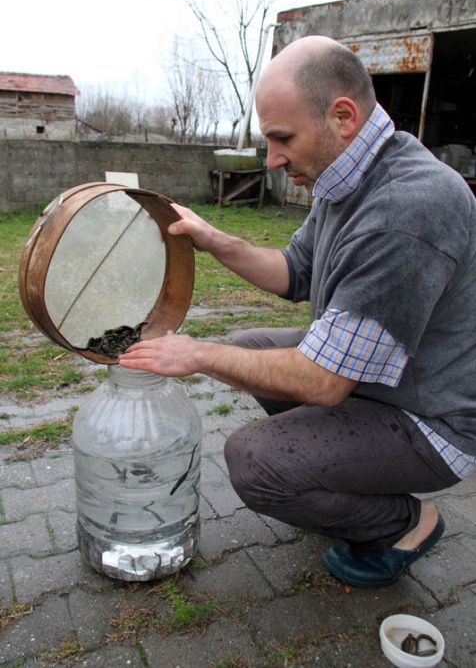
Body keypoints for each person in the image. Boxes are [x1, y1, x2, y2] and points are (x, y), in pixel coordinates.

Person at [119, 35, 476, 588]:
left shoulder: (409, 205)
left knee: (255, 461)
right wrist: (215, 240)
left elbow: (325, 381)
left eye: (282, 138)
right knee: (247, 348)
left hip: (432, 420)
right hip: (384, 383)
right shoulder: (346, 179)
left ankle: (405, 522)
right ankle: (331, 479)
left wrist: (196, 353)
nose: (273, 159)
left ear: (342, 116)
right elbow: (295, 271)